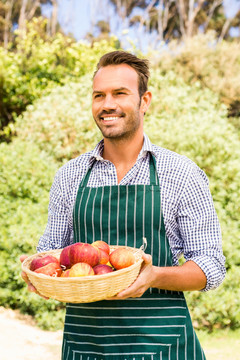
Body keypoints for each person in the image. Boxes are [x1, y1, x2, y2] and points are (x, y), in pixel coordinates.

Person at [21, 50, 226, 360]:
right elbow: (52, 254)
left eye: (120, 93)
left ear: (145, 101)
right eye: (98, 95)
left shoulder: (181, 173)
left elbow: (210, 265)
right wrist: (38, 272)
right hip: (86, 347)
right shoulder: (70, 176)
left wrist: (155, 275)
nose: (108, 104)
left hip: (164, 346)